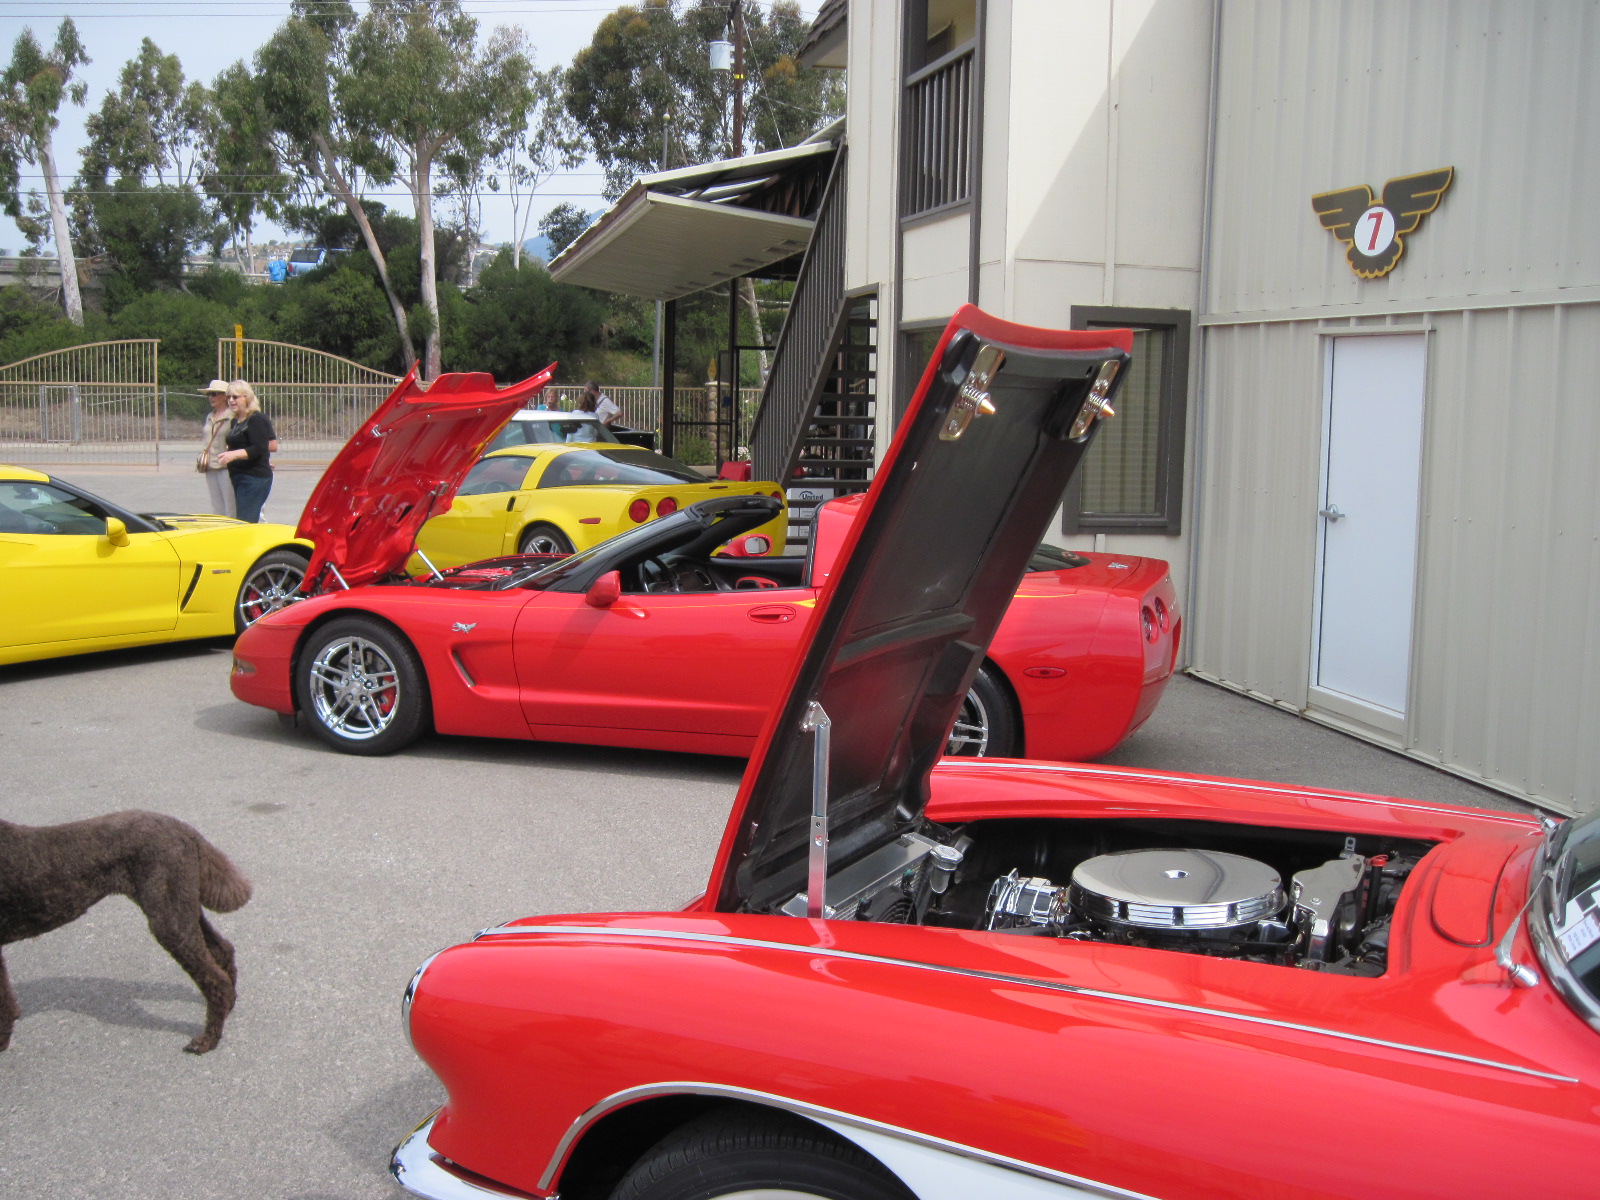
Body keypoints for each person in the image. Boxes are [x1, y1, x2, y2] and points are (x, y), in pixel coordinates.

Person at [216, 380, 275, 523]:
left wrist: (234, 454)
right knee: (244, 519)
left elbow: (259, 448)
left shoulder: (256, 419)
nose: (231, 401)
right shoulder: (235, 421)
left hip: (254, 478)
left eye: (235, 397)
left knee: (246, 520)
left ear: (246, 397)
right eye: (229, 397)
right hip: (239, 476)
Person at [196, 378, 236, 518]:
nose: (211, 397)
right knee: (216, 505)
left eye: (214, 394)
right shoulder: (210, 416)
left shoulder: (232, 416)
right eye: (209, 394)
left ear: (225, 396)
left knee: (230, 506)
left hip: (226, 467)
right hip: (210, 466)